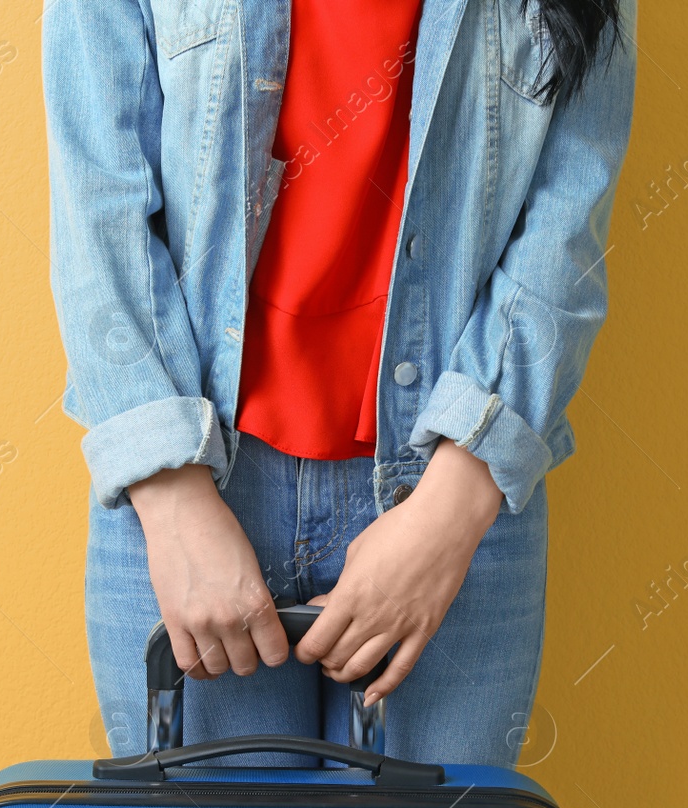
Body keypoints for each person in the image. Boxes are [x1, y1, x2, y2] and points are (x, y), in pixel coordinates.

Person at [45, 0, 634, 767]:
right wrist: (172, 491)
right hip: (192, 490)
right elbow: (99, 196)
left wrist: (450, 514)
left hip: (454, 493)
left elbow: (566, 228)